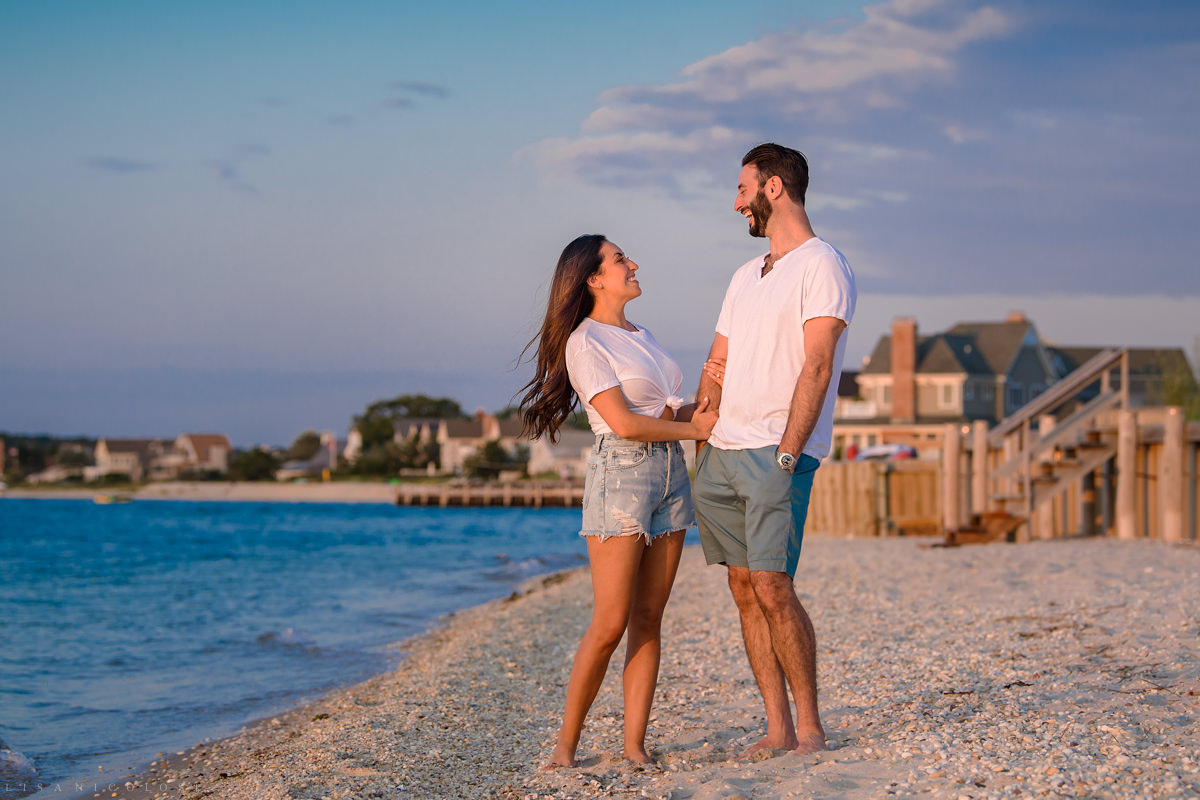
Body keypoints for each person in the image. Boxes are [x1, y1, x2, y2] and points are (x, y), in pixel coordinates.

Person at [519, 234, 718, 767]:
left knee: (650, 616)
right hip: (623, 475)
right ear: (593, 279)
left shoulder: (642, 335)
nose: (633, 265)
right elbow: (626, 424)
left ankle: (634, 746)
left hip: (674, 473)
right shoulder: (585, 342)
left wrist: (714, 409)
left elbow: (671, 414)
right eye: (619, 259)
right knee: (610, 622)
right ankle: (565, 748)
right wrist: (692, 427)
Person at [692, 143, 857, 758]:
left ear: (775, 188)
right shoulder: (744, 275)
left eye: (743, 190)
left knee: (774, 586)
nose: (736, 203)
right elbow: (719, 356)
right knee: (742, 587)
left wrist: (789, 454)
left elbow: (816, 364)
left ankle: (810, 727)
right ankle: (777, 726)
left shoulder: (823, 265)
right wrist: (703, 422)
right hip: (723, 452)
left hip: (776, 453)